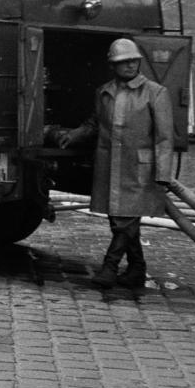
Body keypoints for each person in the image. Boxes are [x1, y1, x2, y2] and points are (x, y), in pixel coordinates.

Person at [60, 38, 175, 289]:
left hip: (139, 169)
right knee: (119, 219)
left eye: (134, 61)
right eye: (124, 62)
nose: (130, 65)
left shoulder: (155, 93)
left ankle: (109, 268)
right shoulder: (104, 93)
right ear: (113, 65)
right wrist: (73, 136)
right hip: (111, 166)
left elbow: (165, 138)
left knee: (126, 220)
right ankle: (136, 269)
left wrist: (163, 173)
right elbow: (95, 124)